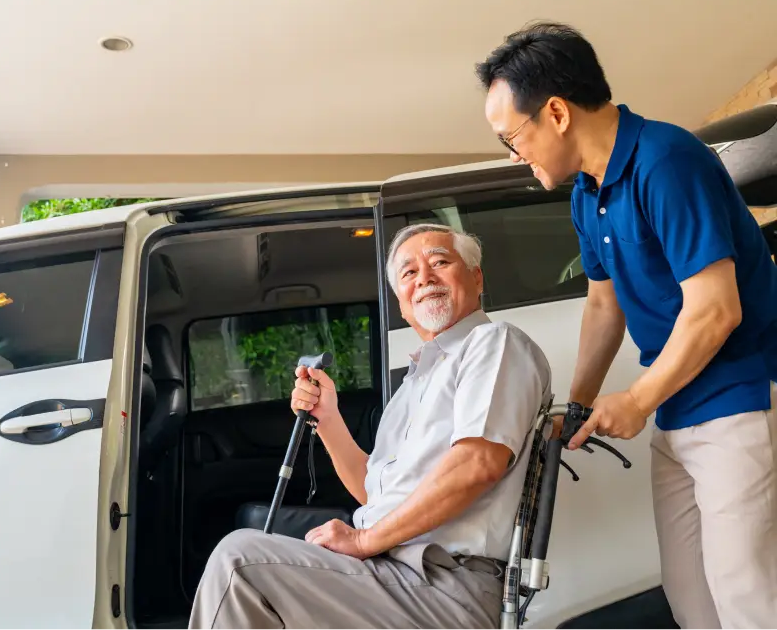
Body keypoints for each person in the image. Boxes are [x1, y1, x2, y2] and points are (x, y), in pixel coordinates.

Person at [476, 22, 777, 630]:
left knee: (745, 593)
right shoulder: (586, 193)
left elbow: (717, 308)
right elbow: (603, 307)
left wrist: (637, 399)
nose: (515, 155)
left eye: (513, 137)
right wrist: (580, 405)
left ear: (555, 112)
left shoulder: (666, 161)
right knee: (690, 593)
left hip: (739, 399)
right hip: (679, 408)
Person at [187, 224, 552, 630]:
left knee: (240, 563)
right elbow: (374, 493)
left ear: (476, 276)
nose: (424, 278)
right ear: (400, 302)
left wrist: (363, 541)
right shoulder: (412, 383)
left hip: (443, 582)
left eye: (439, 262)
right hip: (391, 572)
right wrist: (327, 419)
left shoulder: (492, 343)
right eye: (408, 273)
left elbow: (477, 464)